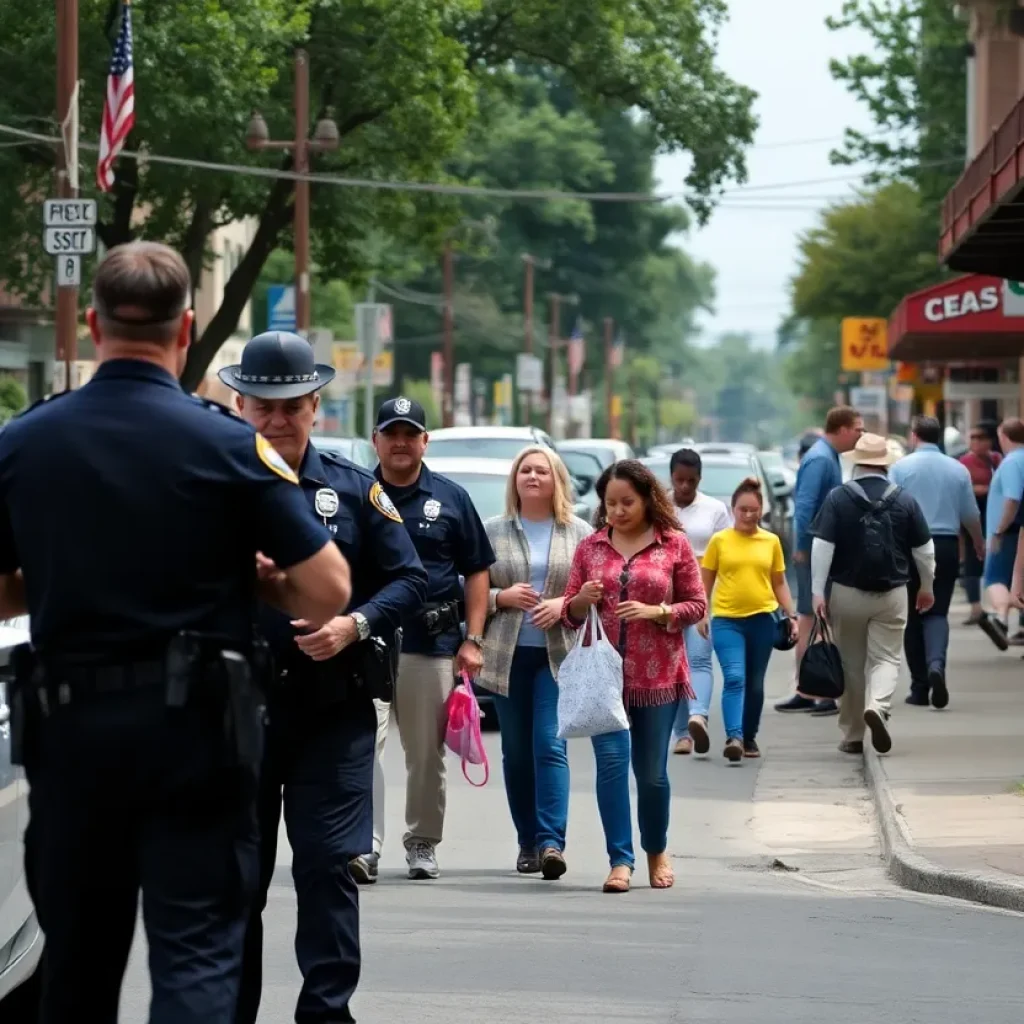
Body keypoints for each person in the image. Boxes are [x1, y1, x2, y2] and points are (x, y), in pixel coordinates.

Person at [0, 242, 351, 1024]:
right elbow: (329, 589)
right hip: (196, 730)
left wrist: (58, 577)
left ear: (93, 324)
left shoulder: (25, 442)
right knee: (196, 951)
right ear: (186, 328)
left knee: (79, 958)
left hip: (70, 728)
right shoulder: (227, 444)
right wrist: (257, 579)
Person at [219, 333, 427, 1024]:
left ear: (315, 406)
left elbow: (409, 578)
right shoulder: (211, 484)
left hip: (330, 714)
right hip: (235, 713)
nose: (278, 420)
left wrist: (356, 624)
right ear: (240, 403)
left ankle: (326, 1015)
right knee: (235, 883)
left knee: (329, 869)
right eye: (264, 406)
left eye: (292, 406)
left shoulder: (352, 489)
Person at [354, 397, 496, 882]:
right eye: (390, 433)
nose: (399, 442)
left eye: (409, 433)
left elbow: (477, 570)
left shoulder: (451, 499)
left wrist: (473, 639)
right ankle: (363, 847)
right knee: (361, 749)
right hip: (364, 643)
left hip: (429, 645)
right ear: (375, 440)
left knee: (424, 754)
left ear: (423, 441)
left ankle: (421, 842)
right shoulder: (355, 492)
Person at [562, 460, 706, 894]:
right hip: (603, 678)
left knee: (651, 774)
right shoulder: (590, 548)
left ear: (646, 499)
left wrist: (658, 611)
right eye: (610, 504)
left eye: (627, 502)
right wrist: (582, 600)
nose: (618, 511)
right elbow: (568, 613)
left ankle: (656, 849)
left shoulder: (674, 544)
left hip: (658, 675)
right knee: (610, 767)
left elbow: (697, 605)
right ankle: (619, 860)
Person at [476, 446, 593, 877]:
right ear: (515, 480)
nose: (532, 476)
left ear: (556, 479)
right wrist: (500, 597)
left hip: (557, 656)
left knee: (549, 744)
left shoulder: (578, 532)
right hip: (506, 655)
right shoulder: (492, 531)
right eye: (524, 470)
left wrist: (563, 603)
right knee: (516, 751)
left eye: (541, 470)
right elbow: (468, 589)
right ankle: (526, 840)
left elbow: (593, 592)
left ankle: (550, 843)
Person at [809, 433, 935, 755]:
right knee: (887, 657)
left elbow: (822, 546)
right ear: (885, 464)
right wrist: (926, 586)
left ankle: (852, 735)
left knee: (851, 664)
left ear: (856, 462)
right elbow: (924, 549)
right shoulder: (905, 499)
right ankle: (878, 707)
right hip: (892, 592)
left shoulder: (838, 498)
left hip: (846, 592)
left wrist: (817, 592)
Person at [889, 415, 984, 708]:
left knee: (912, 618)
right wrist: (978, 543)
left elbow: (890, 510)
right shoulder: (958, 469)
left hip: (909, 547)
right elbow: (970, 514)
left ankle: (919, 688)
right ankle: (936, 666)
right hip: (944, 545)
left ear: (914, 436)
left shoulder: (900, 468)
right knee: (937, 612)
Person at [701, 477, 797, 761]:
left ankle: (749, 736)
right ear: (733, 509)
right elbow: (705, 580)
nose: (748, 515)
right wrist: (701, 612)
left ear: (761, 510)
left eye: (753, 510)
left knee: (755, 683)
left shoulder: (771, 542)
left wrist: (790, 615)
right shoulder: (720, 541)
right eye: (742, 509)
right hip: (726, 620)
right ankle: (734, 736)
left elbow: (779, 582)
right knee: (734, 677)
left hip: (762, 620)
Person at [776, 406, 863, 715]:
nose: (860, 435)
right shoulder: (820, 458)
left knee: (814, 615)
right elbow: (805, 505)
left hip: (820, 548)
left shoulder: (827, 456)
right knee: (814, 615)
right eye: (857, 429)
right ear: (840, 429)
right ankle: (816, 689)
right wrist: (802, 546)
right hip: (815, 548)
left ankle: (810, 688)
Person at [666, 448, 731, 755]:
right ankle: (681, 734)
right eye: (679, 480)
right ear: (671, 477)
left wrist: (706, 599)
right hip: (664, 596)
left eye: (691, 480)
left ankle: (698, 716)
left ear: (699, 479)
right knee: (673, 663)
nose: (685, 487)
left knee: (699, 656)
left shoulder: (715, 509)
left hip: (703, 594)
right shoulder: (658, 507)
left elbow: (723, 556)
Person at [978, 418, 1024, 650]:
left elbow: (1013, 497)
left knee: (994, 579)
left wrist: (999, 528)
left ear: (1004, 437)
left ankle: (1001, 619)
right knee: (1017, 583)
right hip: (1018, 531)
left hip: (1008, 531)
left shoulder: (1012, 462)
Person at [959, 422, 1001, 625]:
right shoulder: (965, 462)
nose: (975, 441)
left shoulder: (997, 459)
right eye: (972, 437)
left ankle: (999, 606)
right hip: (974, 515)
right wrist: (984, 489)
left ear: (989, 441)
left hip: (997, 515)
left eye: (980, 437)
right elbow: (962, 489)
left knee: (996, 559)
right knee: (973, 560)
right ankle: (976, 608)